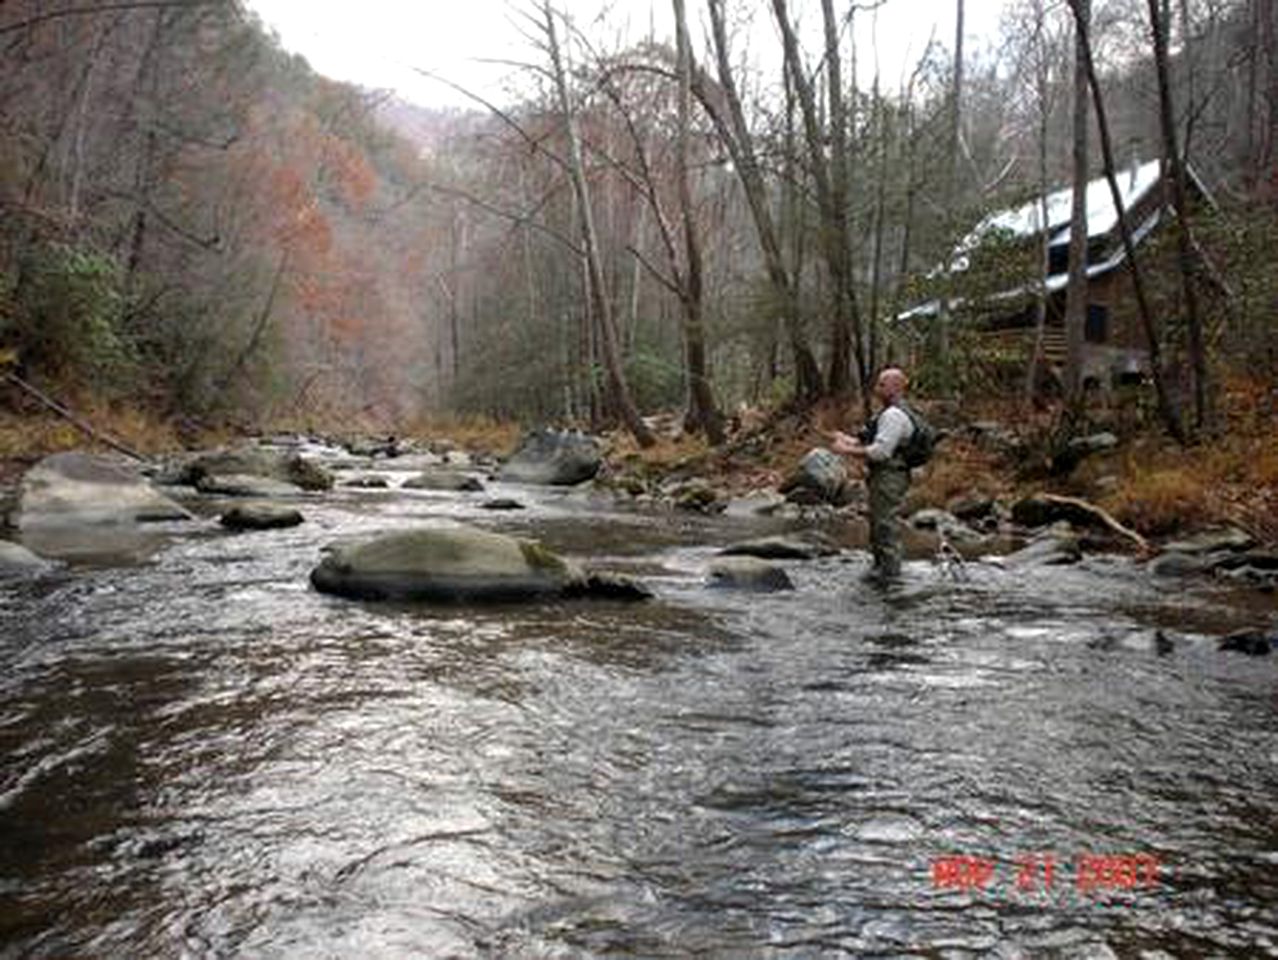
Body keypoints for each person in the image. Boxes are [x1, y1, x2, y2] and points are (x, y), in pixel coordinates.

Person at [829, 367, 916, 584]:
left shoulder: (893, 416)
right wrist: (845, 439)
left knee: (885, 526)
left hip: (890, 477)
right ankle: (881, 570)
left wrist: (845, 450)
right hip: (884, 476)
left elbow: (881, 452)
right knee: (878, 523)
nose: (877, 389)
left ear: (896, 387)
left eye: (881, 385)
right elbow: (872, 442)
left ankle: (890, 577)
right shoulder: (888, 414)